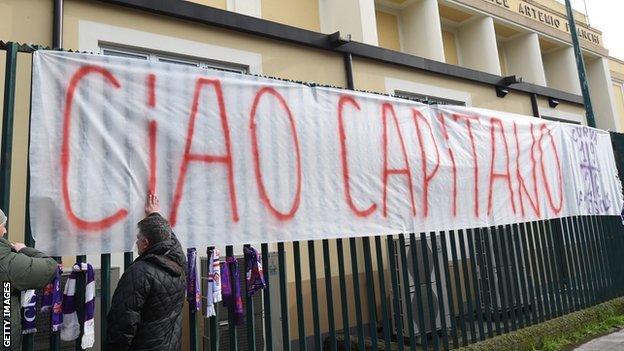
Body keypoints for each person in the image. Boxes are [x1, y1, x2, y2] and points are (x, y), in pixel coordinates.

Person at [106, 194, 187, 350]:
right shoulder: (178, 264)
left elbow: (122, 325)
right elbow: (172, 242)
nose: (136, 242)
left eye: (138, 238)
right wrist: (155, 215)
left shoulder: (139, 272)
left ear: (145, 243)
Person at [0, 209, 57, 350]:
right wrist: (24, 250)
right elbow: (50, 267)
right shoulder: (7, 262)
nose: (5, 231)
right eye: (3, 225)